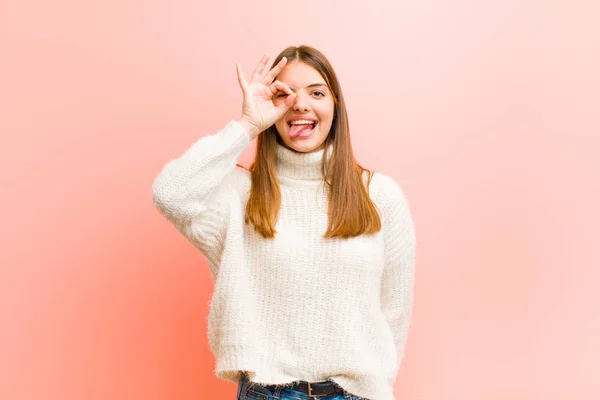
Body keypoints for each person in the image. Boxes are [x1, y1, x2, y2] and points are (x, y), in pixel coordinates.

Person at [151, 45, 417, 400]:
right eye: (285, 93)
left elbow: (395, 311)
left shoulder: (380, 195)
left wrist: (377, 384)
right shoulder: (240, 193)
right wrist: (246, 126)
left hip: (356, 393)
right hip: (268, 392)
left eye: (317, 92)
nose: (301, 104)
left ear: (335, 106)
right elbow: (170, 192)